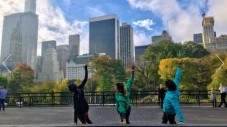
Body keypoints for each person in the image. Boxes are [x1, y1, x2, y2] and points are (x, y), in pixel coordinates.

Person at [162, 60, 184, 125]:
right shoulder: (175, 84)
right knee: (164, 121)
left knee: (172, 122)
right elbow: (177, 76)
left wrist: (181, 120)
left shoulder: (172, 97)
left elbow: (177, 107)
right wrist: (179, 66)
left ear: (168, 87)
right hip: (165, 110)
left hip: (170, 112)